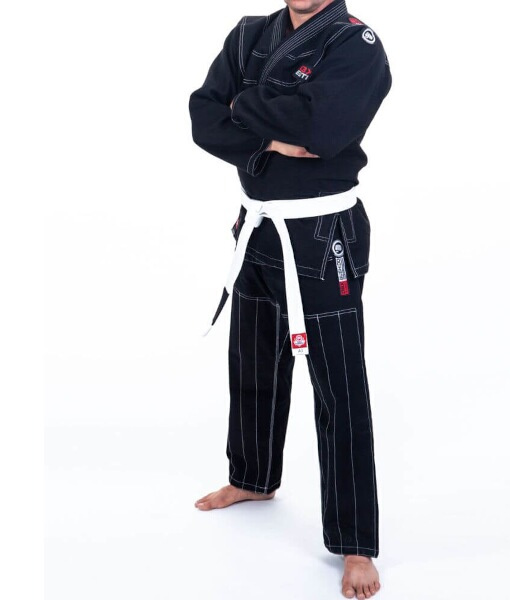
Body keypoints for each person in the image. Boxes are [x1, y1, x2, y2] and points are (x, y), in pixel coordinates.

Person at [188, 0, 392, 598]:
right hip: (256, 225)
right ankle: (252, 477)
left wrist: (242, 106)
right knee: (253, 358)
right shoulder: (249, 33)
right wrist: (269, 140)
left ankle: (356, 542)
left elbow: (324, 130)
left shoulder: (356, 45)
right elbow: (202, 114)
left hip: (322, 232)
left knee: (338, 384)